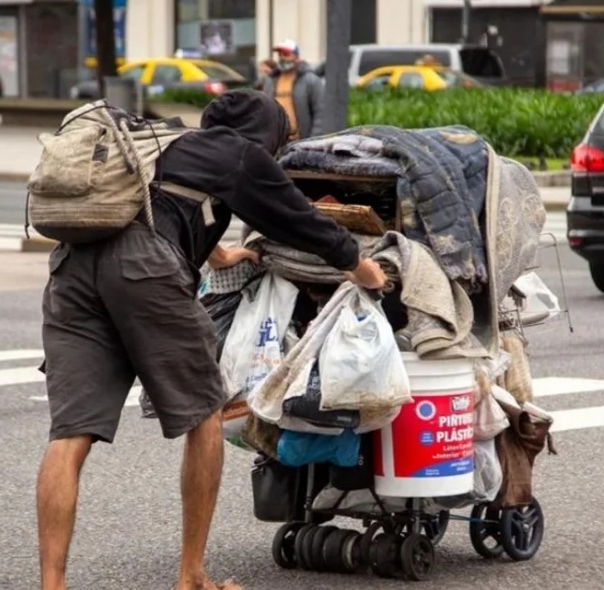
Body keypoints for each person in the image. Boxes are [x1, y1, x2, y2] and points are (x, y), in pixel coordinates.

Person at [34, 88, 387, 590]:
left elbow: (161, 208)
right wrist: (361, 268)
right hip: (144, 272)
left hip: (72, 269)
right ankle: (192, 575)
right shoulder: (242, 153)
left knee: (69, 435)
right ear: (267, 134)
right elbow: (301, 221)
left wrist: (219, 255)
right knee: (204, 417)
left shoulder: (171, 145)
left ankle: (52, 584)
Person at [259, 39, 325, 142]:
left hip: (302, 141)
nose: (282, 58)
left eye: (286, 54)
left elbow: (320, 113)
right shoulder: (271, 81)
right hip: (278, 141)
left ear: (296, 57)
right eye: (279, 54)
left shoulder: (311, 80)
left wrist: (313, 139)